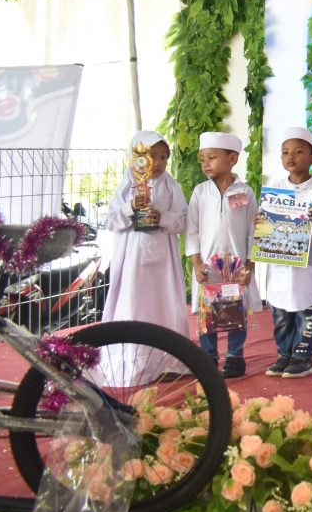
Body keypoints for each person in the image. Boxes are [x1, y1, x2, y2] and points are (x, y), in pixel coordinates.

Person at [100, 129, 189, 380]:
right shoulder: (127, 186)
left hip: (164, 261)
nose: (158, 163)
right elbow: (111, 221)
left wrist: (163, 218)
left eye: (163, 157)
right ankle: (134, 363)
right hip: (133, 261)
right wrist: (130, 207)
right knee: (135, 304)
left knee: (165, 304)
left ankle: (169, 362)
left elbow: (183, 221)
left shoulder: (171, 185)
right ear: (137, 157)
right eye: (152, 156)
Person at [260, 127, 312, 379]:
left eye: (298, 151)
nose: (291, 157)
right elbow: (266, 224)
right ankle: (284, 354)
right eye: (285, 152)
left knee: (304, 310)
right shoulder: (275, 188)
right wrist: (262, 222)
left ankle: (303, 357)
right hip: (279, 263)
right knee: (281, 312)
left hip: (306, 263)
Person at [186, 131, 260, 378]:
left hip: (237, 267)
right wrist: (197, 263)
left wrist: (249, 265)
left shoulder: (245, 192)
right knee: (207, 311)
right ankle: (208, 357)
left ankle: (235, 357)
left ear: (232, 159)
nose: (205, 164)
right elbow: (192, 230)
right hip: (208, 266)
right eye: (202, 159)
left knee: (236, 309)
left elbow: (253, 230)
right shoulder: (200, 192)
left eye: (212, 158)